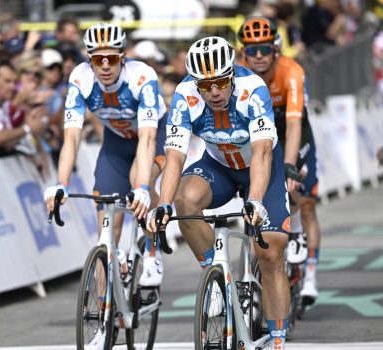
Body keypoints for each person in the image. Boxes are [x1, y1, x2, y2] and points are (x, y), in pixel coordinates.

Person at [146, 36, 291, 348]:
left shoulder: (253, 88)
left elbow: (263, 153)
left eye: (221, 83)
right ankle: (216, 278)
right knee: (185, 201)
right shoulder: (185, 94)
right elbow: (175, 156)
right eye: (205, 84)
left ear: (232, 75)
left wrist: (255, 200)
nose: (213, 92)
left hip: (262, 167)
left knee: (270, 254)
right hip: (219, 166)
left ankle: (278, 340)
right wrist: (165, 204)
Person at [43, 23, 168, 300]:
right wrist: (60, 183)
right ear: (89, 59)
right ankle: (103, 313)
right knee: (105, 232)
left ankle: (151, 251)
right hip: (116, 142)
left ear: (123, 56)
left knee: (139, 179)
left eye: (111, 58)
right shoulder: (80, 78)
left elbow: (147, 140)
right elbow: (71, 138)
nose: (105, 66)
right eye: (98, 59)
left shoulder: (142, 76)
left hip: (154, 135)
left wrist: (144, 188)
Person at [238, 16, 322, 306]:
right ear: (243, 53)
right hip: (259, 135)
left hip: (292, 130)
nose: (258, 56)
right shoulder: (238, 74)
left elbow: (295, 123)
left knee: (300, 195)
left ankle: (305, 261)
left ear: (275, 49)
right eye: (251, 50)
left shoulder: (292, 71)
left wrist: (289, 164)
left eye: (264, 49)